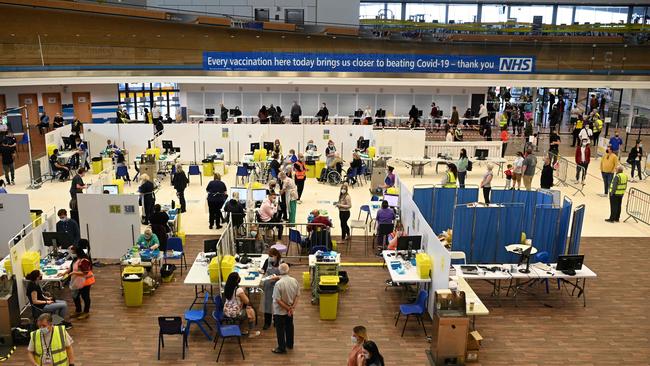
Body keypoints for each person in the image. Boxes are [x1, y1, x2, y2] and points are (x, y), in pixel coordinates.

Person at [272, 263, 299, 354]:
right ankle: (290, 344)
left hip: (280, 311)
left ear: (279, 271)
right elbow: (297, 295)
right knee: (289, 327)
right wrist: (292, 308)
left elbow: (278, 300)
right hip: (290, 311)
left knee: (280, 329)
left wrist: (287, 308)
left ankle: (281, 347)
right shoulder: (294, 281)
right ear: (288, 270)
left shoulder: (278, 284)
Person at [223, 272, 260, 338]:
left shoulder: (226, 287)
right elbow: (247, 301)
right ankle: (251, 332)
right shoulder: (238, 290)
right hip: (234, 312)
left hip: (226, 310)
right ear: (237, 280)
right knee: (251, 311)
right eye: (238, 277)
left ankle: (241, 329)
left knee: (246, 308)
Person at [64, 244, 94, 319]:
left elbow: (85, 272)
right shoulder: (76, 259)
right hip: (76, 282)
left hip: (85, 282)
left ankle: (86, 312)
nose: (72, 254)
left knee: (85, 297)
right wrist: (64, 273)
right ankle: (78, 311)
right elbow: (72, 267)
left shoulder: (84, 261)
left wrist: (73, 273)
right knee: (75, 297)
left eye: (73, 252)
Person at [260, 248, 283, 330]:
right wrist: (261, 272)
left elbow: (284, 275)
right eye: (269, 256)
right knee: (267, 304)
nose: (270, 257)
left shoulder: (281, 263)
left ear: (276, 255)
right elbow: (263, 270)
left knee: (277, 305)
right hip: (268, 286)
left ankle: (276, 321)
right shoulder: (267, 261)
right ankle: (267, 322)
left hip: (278, 286)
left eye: (271, 256)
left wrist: (277, 277)